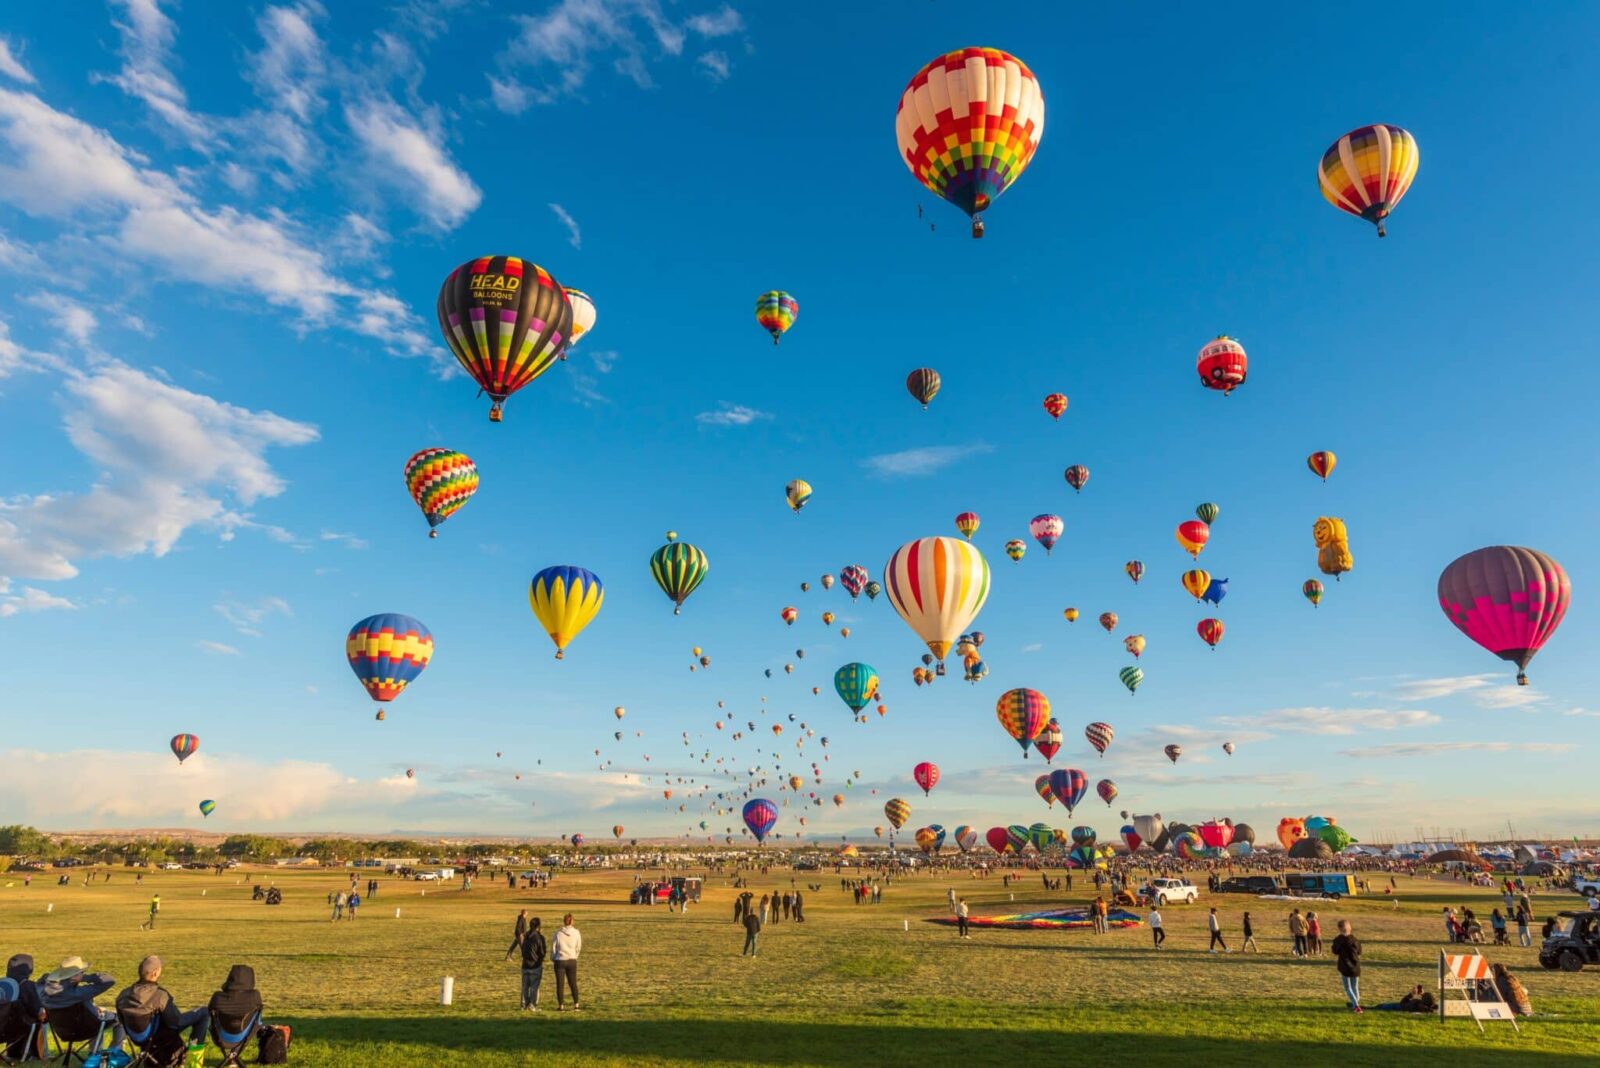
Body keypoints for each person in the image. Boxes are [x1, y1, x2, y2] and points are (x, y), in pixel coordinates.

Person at [115, 955, 209, 1045]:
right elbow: (174, 1022)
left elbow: (121, 1020)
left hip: (135, 1037)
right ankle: (194, 1057)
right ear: (155, 973)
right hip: (153, 1035)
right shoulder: (160, 994)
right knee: (203, 1012)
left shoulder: (123, 994)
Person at [1330, 920, 1362, 1013]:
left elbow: (1335, 951)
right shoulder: (1355, 940)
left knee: (1348, 988)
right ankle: (1355, 1003)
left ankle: (1356, 1006)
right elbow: (1360, 952)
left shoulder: (1338, 940)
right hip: (1355, 966)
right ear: (1349, 928)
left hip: (1345, 966)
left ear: (1339, 928)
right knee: (1354, 986)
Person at [551, 914, 581, 1010]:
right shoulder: (576, 932)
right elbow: (578, 947)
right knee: (573, 983)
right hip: (572, 960)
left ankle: (561, 1005)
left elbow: (554, 948)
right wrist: (575, 956)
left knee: (560, 984)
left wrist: (553, 958)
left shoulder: (558, 933)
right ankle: (576, 1004)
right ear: (572, 921)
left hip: (560, 960)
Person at [519, 918, 546, 1011]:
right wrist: (540, 960)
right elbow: (542, 952)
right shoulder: (539, 938)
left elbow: (522, 949)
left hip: (525, 964)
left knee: (525, 986)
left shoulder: (525, 936)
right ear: (538, 926)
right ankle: (532, 1005)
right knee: (534, 987)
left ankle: (524, 1005)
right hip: (535, 965)